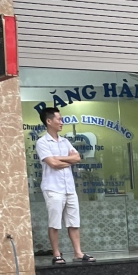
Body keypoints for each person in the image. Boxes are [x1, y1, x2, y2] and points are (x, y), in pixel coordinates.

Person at [35, 107, 94, 264]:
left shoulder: (65, 141)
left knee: (74, 222)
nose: (62, 122)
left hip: (69, 188)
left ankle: (78, 252)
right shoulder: (42, 142)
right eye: (59, 119)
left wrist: (60, 159)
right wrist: (65, 160)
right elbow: (52, 163)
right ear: (49, 121)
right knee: (55, 223)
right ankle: (56, 254)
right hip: (53, 188)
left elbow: (77, 158)